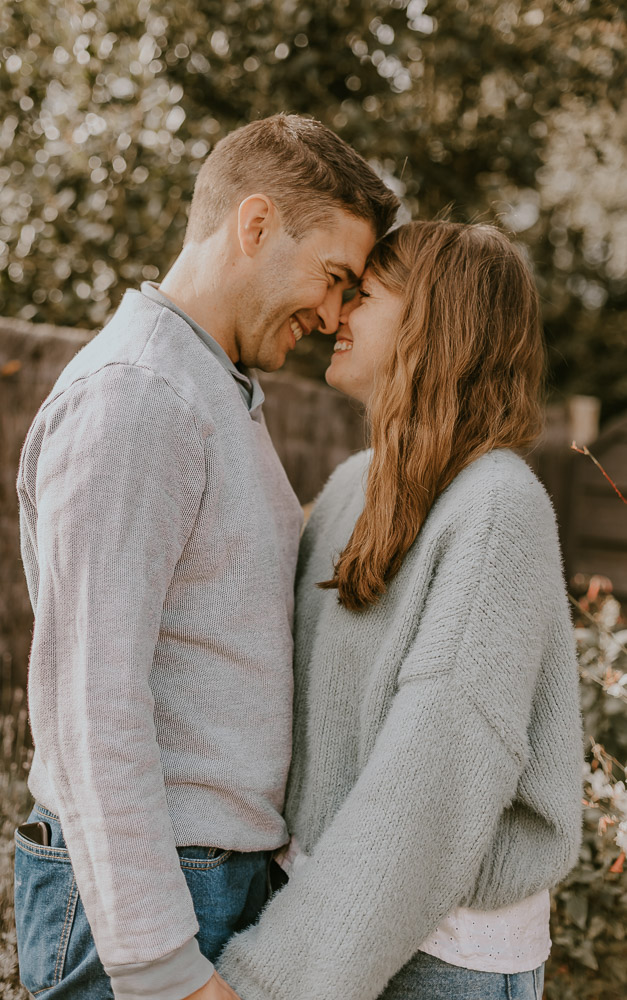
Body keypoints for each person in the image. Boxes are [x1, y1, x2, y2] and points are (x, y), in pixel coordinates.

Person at [13, 113, 399, 1000]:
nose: (333, 315)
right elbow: (91, 701)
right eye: (334, 278)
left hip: (203, 874)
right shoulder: (140, 397)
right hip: (150, 900)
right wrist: (160, 965)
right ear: (255, 224)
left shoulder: (209, 387)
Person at [217, 221, 584, 1000]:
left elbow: (431, 782)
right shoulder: (351, 487)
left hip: (439, 958)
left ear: (433, 325)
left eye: (366, 294)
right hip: (323, 924)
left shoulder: (496, 507)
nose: (335, 312)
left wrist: (267, 978)